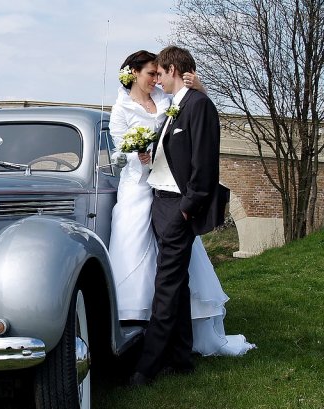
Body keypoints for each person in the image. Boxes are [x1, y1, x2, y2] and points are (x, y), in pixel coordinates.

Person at [107, 50, 254, 383]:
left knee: (167, 283)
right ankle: (181, 356)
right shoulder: (165, 104)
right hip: (152, 195)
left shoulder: (189, 103)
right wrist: (138, 155)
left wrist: (188, 206)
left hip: (176, 204)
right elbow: (133, 152)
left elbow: (203, 160)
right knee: (176, 282)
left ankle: (147, 365)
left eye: (159, 73)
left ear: (171, 70)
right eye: (151, 74)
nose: (157, 80)